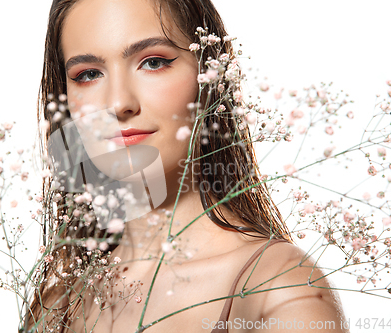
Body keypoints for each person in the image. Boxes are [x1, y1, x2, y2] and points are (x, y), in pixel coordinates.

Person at [25, 0, 347, 332]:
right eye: (88, 74)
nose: (118, 103)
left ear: (209, 75)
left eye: (153, 62)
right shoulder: (58, 302)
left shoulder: (278, 286)